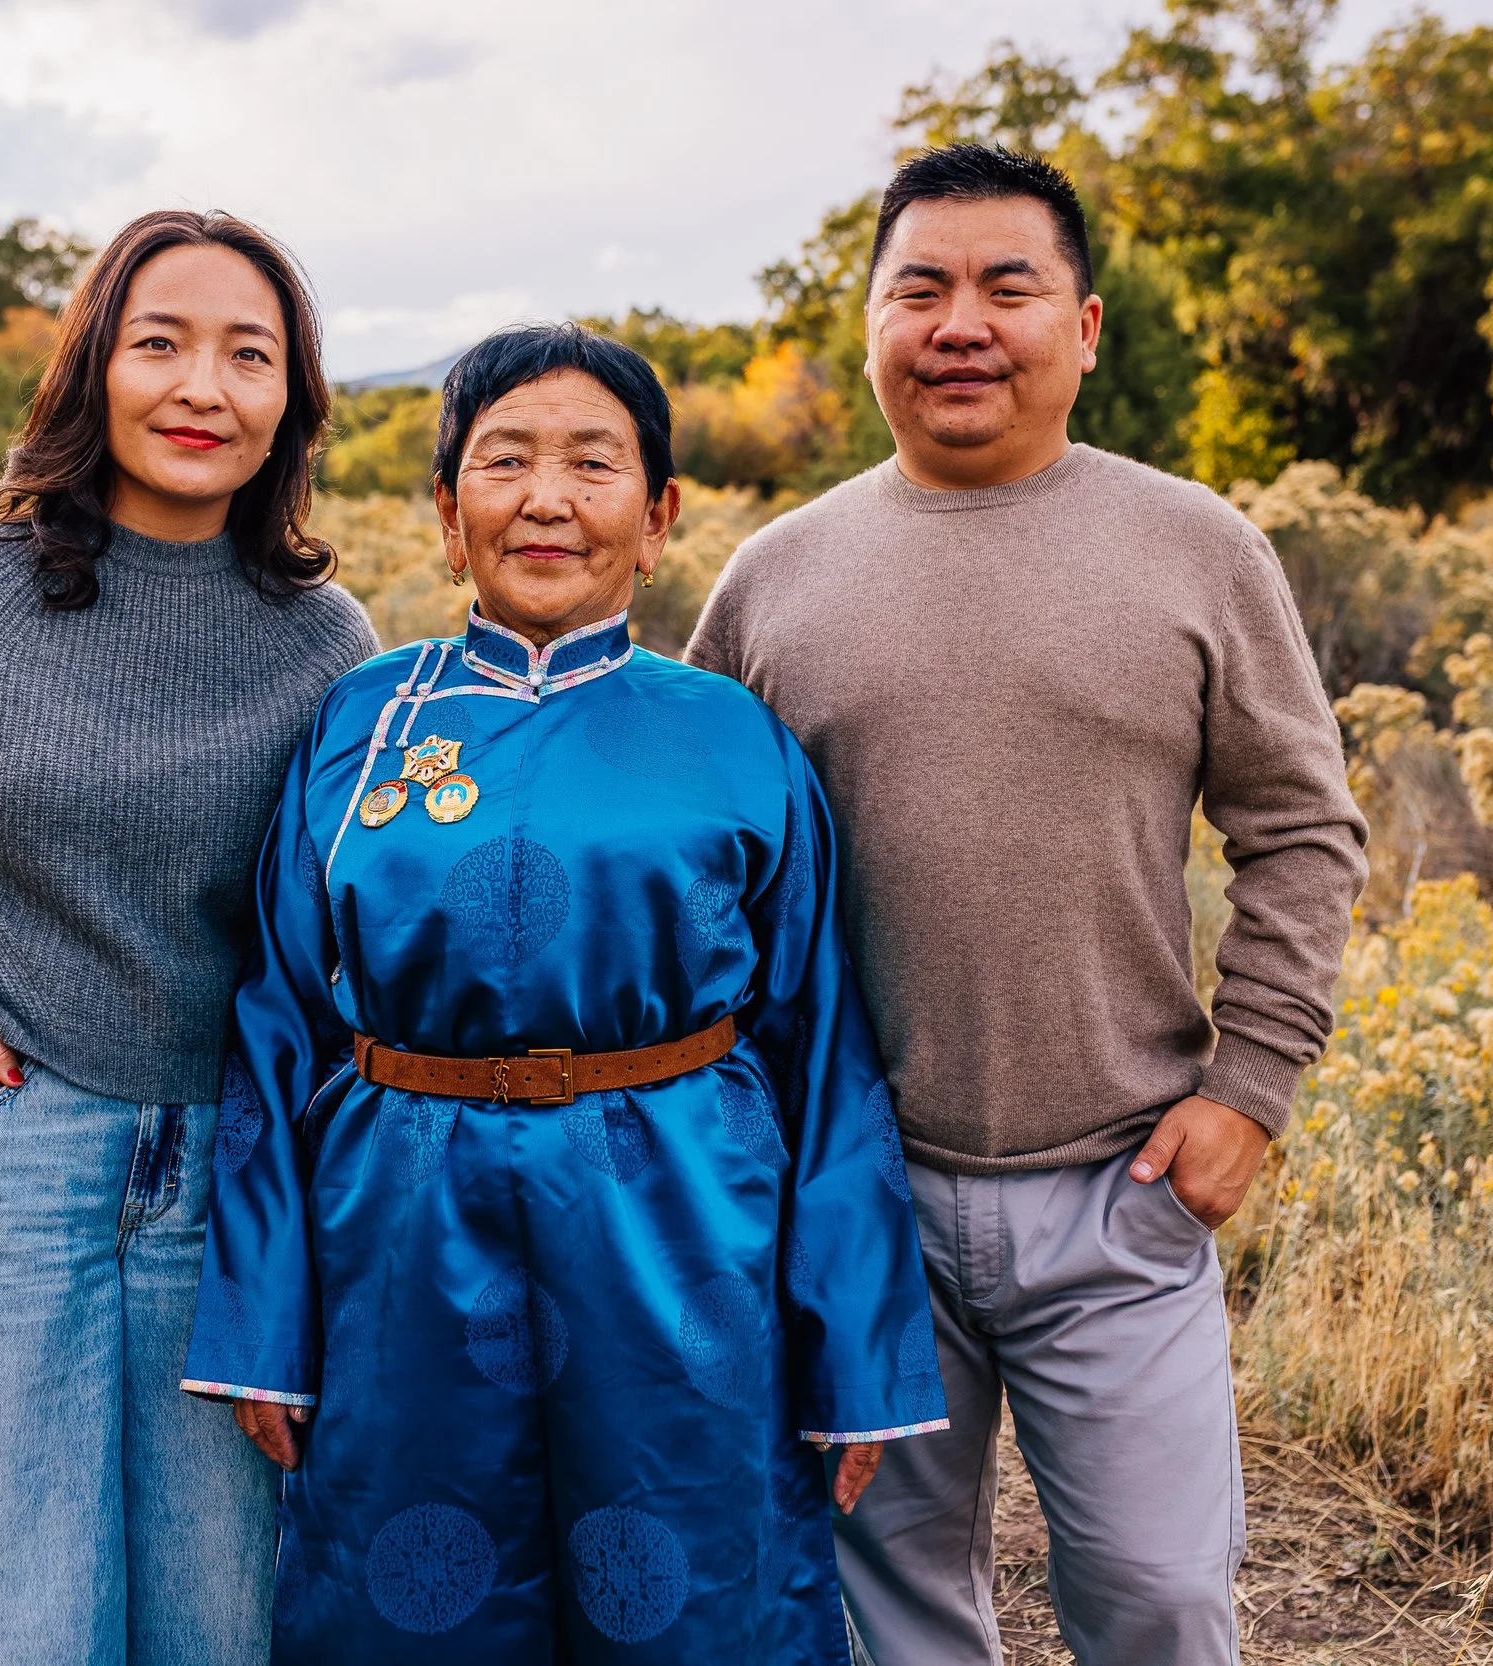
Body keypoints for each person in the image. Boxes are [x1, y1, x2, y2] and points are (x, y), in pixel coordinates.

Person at [688, 145, 1368, 1666]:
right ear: (867, 324)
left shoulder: (1199, 548)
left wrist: (1251, 1086)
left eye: (1009, 287)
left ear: (1087, 327)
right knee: (896, 1606)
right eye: (918, 289)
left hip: (1120, 1191)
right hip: (855, 1193)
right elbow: (693, 869)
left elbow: (1303, 828)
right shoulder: (774, 577)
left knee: (1160, 1597)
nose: (961, 324)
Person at [181, 322, 948, 1663]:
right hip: (403, 1230)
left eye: (594, 464)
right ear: (446, 508)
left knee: (694, 1589)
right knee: (408, 1593)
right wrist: (262, 1322)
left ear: (656, 518)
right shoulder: (362, 726)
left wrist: (860, 1355)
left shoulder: (731, 733)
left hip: (680, 1222)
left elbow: (823, 1049)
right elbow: (279, 1020)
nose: (547, 498)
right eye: (505, 461)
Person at [0, 209, 377, 1666]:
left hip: (228, 1170)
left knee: (217, 1607)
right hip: (5, 1140)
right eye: (160, 344)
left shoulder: (325, 637)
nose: (201, 389)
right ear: (97, 362)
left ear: (289, 399)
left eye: (248, 355)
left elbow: (345, 915)